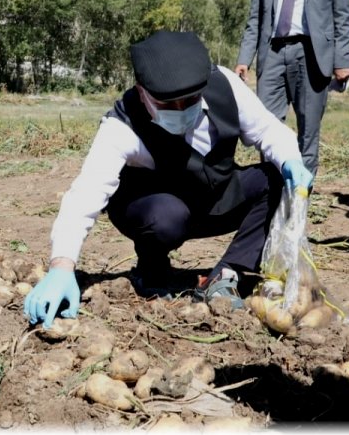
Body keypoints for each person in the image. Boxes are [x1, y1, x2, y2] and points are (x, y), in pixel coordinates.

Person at [23, 31, 311, 329]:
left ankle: (226, 275)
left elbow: (268, 131)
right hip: (155, 210)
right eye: (168, 104)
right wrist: (61, 266)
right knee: (166, 217)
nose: (181, 111)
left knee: (278, 179)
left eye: (190, 101)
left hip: (214, 194)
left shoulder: (225, 85)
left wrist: (291, 159)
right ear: (143, 92)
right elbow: (85, 193)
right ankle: (152, 269)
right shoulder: (121, 126)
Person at [235, 0, 349, 178]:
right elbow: (256, 16)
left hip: (312, 54)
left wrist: (343, 61)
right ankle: (270, 195)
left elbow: (343, 16)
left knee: (307, 130)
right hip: (273, 52)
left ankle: (300, 200)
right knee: (267, 128)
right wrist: (244, 59)